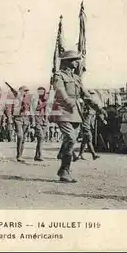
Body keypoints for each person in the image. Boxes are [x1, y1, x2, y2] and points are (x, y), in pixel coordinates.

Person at [52, 50, 106, 183]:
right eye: (75, 60)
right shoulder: (58, 75)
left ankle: (64, 169)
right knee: (70, 138)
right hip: (63, 110)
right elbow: (60, 91)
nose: (77, 62)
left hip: (75, 112)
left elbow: (86, 95)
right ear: (67, 61)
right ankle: (64, 171)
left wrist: (99, 108)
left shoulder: (76, 78)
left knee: (70, 141)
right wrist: (68, 101)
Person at [31, 86, 48, 161]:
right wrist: (33, 121)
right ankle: (40, 155)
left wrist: (46, 119)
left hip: (43, 120)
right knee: (40, 137)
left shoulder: (45, 100)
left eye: (43, 92)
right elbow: (35, 109)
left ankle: (37, 155)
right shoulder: (35, 99)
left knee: (41, 139)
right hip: (37, 119)